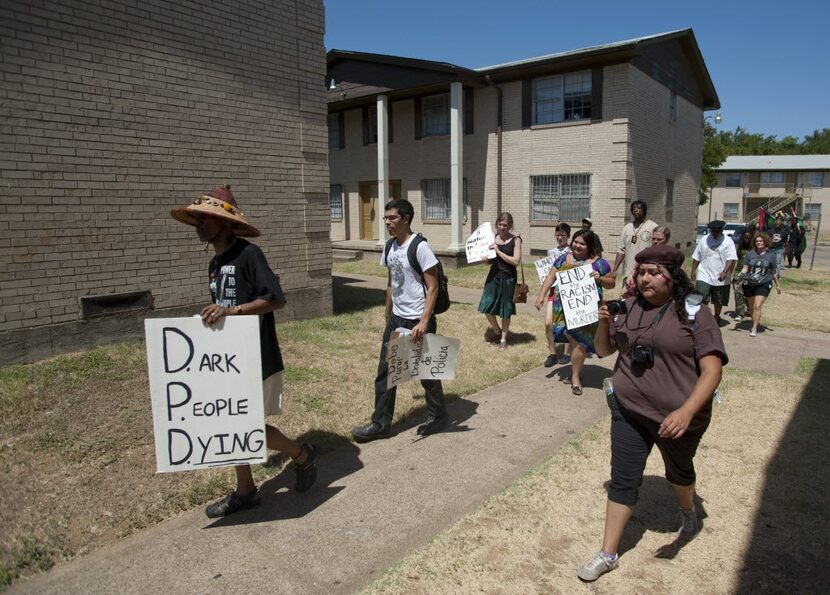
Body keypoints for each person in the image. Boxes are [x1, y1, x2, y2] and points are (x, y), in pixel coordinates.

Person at [577, 244, 727, 582]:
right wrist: (603, 323)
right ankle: (607, 554)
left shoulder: (694, 312)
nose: (645, 278)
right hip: (629, 410)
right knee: (623, 479)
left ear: (673, 277)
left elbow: (712, 370)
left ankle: (687, 511)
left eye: (653, 272)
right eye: (641, 271)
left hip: (677, 418)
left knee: (679, 472)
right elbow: (603, 351)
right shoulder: (626, 307)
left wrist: (687, 411)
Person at [170, 185, 318, 518]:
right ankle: (246, 490)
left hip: (256, 357)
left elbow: (276, 299)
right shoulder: (215, 262)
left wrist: (232, 311)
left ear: (226, 223)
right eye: (197, 219)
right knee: (228, 423)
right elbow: (224, 306)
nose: (199, 225)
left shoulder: (249, 254)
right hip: (227, 361)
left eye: (206, 219)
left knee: (246, 427)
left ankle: (303, 455)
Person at [351, 199, 448, 442]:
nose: (387, 223)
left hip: (417, 318)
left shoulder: (420, 247)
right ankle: (380, 423)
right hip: (397, 318)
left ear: (406, 219)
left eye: (392, 218)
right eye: (385, 218)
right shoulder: (390, 247)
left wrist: (424, 321)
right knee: (385, 371)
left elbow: (433, 287)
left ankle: (438, 416)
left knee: (426, 372)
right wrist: (388, 313)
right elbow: (390, 282)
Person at [534, 230, 614, 395]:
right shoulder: (563, 259)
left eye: (582, 243)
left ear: (590, 246)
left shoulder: (599, 263)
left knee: (579, 342)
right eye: (576, 242)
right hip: (562, 308)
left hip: (585, 310)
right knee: (571, 338)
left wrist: (600, 278)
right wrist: (541, 295)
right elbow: (551, 277)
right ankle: (575, 370)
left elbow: (611, 282)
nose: (577, 245)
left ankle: (575, 377)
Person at [478, 212, 523, 349]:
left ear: (510, 226)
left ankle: (503, 339)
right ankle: (497, 330)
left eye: (506, 225)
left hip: (508, 278)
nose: (503, 227)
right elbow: (492, 259)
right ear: (497, 224)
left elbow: (515, 261)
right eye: (500, 224)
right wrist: (486, 261)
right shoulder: (493, 238)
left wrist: (498, 251)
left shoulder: (516, 240)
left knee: (505, 309)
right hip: (493, 277)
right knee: (486, 305)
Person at [690, 220, 737, 321]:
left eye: (717, 231)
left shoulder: (728, 242)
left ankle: (716, 316)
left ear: (721, 230)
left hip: (721, 275)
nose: (714, 233)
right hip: (704, 273)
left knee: (718, 299)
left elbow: (731, 259)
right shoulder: (704, 240)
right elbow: (696, 257)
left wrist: (725, 271)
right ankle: (700, 316)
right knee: (701, 293)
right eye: (713, 231)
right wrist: (693, 272)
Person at [740, 232, 782, 337]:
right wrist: (740, 275)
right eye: (757, 241)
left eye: (760, 241)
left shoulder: (771, 256)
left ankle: (754, 328)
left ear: (765, 242)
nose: (758, 243)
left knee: (757, 305)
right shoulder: (750, 254)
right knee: (751, 307)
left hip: (764, 283)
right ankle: (755, 322)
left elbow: (773, 272)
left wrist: (777, 285)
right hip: (749, 283)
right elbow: (745, 268)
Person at [543, 223, 571, 366]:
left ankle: (567, 353)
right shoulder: (551, 252)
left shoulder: (572, 251)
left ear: (568, 236)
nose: (560, 237)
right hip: (554, 290)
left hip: (568, 291)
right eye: (558, 235)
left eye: (563, 235)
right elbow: (547, 274)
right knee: (548, 323)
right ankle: (552, 353)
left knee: (568, 323)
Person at [611, 200, 658, 282]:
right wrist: (614, 270)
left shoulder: (653, 227)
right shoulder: (627, 228)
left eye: (639, 208)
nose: (636, 210)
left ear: (644, 211)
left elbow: (657, 249)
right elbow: (621, 250)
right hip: (628, 272)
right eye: (634, 208)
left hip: (645, 272)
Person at [623, 225, 672, 294]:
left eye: (659, 239)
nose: (655, 241)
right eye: (653, 239)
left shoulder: (672, 255)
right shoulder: (646, 253)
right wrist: (631, 276)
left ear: (667, 239)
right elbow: (635, 269)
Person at [731, 230, 753, 322]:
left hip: (750, 274)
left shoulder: (753, 250)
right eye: (745, 238)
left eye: (749, 238)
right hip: (738, 272)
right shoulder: (738, 249)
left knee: (749, 294)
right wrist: (731, 274)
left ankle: (750, 310)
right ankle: (740, 313)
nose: (747, 240)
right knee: (738, 293)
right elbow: (733, 261)